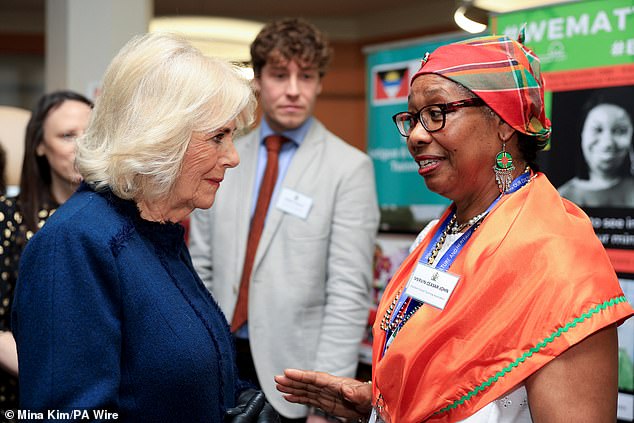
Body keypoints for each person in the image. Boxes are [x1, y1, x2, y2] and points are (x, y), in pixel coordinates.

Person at [275, 32, 634, 423]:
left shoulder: (558, 259)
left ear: (503, 122)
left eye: (436, 113)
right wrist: (382, 404)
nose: (414, 136)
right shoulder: (436, 233)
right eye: (412, 118)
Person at [12, 32, 279, 422]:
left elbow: (166, 374)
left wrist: (236, 401)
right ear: (160, 137)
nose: (233, 157)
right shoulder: (76, 244)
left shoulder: (156, 228)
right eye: (218, 137)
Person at [188, 17, 380, 422]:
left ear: (319, 83)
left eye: (306, 76)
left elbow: (348, 293)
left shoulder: (349, 168)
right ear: (257, 81)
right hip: (215, 360)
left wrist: (326, 404)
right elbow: (199, 267)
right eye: (279, 75)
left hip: (295, 377)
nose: (293, 90)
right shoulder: (224, 156)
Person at [0, 90, 93, 417]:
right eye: (68, 136)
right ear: (40, 146)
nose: (83, 147)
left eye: (91, 133)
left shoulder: (124, 218)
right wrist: (54, 379)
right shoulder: (8, 218)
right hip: (25, 393)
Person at [557, 88, 634, 207]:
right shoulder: (564, 196)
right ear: (582, 133)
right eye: (597, 129)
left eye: (620, 131)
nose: (608, 143)